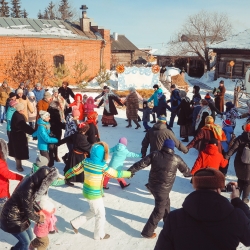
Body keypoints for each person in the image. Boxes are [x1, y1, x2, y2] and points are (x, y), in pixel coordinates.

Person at [154, 168, 250, 250]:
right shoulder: (236, 216)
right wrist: (237, 201)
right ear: (218, 189)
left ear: (196, 187)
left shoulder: (174, 218)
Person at [65, 142, 132, 240]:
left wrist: (66, 176)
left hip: (87, 191)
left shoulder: (85, 161)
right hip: (94, 194)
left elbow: (74, 170)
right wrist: (128, 173)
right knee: (101, 214)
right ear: (102, 154)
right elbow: (115, 174)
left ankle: (75, 223)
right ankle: (99, 235)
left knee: (93, 210)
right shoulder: (102, 166)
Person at [128, 139, 191, 239]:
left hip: (152, 186)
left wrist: (130, 171)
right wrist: (190, 174)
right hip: (163, 189)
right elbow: (187, 172)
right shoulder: (176, 158)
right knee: (159, 211)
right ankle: (147, 232)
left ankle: (168, 222)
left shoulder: (154, 154)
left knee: (166, 202)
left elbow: (141, 163)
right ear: (172, 148)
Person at [0, 166, 59, 250]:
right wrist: (39, 219)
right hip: (11, 219)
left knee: (29, 238)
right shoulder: (28, 188)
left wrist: (39, 210)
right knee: (26, 243)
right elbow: (28, 210)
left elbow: (31, 200)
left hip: (20, 216)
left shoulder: (32, 183)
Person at [59, 122, 92, 186]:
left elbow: (67, 139)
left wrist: (58, 143)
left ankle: (77, 178)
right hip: (78, 156)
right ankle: (68, 179)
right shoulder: (82, 138)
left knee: (73, 167)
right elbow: (88, 147)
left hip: (73, 154)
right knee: (75, 168)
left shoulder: (75, 134)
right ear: (84, 130)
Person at [225, 123, 250, 203]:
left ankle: (237, 196)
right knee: (248, 182)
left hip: (239, 163)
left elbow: (233, 149)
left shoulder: (240, 138)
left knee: (240, 179)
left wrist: (227, 156)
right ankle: (245, 198)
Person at [8, 103, 35, 172]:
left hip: (17, 135)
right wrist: (32, 131)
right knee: (18, 151)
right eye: (23, 109)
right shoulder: (18, 117)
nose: (24, 110)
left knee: (17, 150)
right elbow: (23, 126)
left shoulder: (17, 114)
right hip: (17, 136)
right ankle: (18, 166)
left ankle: (18, 164)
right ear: (20, 110)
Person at [0, 139, 23, 214]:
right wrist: (19, 177)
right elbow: (7, 173)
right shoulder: (0, 163)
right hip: (1, 190)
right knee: (3, 208)